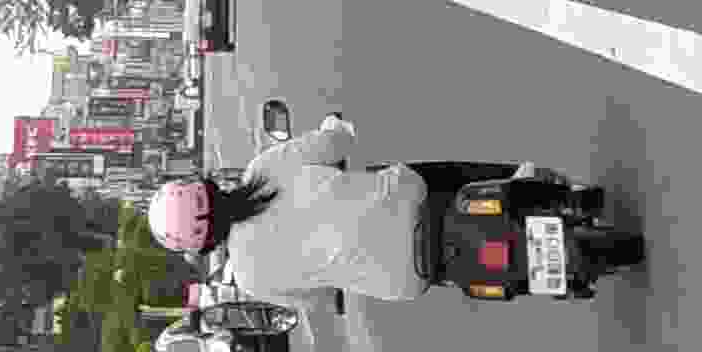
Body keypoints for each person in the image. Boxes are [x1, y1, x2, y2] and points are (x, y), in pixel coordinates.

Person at [148, 118, 509, 307]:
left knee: (457, 269)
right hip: (409, 199)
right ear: (202, 187)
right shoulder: (263, 170)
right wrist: (332, 127)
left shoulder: (249, 278)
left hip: (406, 279)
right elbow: (336, 143)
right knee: (437, 178)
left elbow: (319, 299)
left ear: (199, 244)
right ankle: (516, 180)